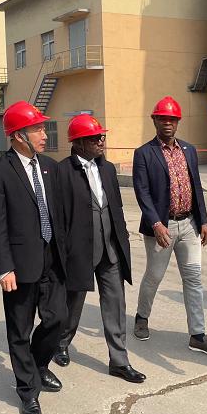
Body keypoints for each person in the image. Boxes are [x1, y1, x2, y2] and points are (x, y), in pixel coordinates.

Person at [0, 101, 67, 414]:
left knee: (57, 318)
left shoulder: (50, 167)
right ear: (19, 135)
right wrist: (4, 267)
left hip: (51, 258)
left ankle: (38, 364)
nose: (44, 135)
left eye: (43, 128)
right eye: (37, 129)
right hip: (19, 264)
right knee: (20, 329)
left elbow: (57, 214)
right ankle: (27, 390)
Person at [53, 115, 145, 383]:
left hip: (110, 248)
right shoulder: (62, 172)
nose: (101, 141)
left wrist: (122, 238)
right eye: (95, 138)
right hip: (79, 251)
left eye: (101, 136)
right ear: (79, 142)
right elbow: (59, 217)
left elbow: (116, 207)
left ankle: (119, 361)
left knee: (115, 303)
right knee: (73, 302)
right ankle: (61, 343)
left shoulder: (108, 169)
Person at [132, 96, 207, 357]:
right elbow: (142, 192)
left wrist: (203, 220)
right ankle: (142, 316)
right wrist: (156, 223)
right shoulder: (144, 153)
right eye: (163, 118)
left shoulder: (189, 150)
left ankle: (197, 335)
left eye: (172, 119)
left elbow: (196, 186)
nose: (168, 123)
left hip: (189, 224)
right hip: (161, 228)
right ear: (154, 120)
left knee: (193, 278)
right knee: (154, 275)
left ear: (177, 122)